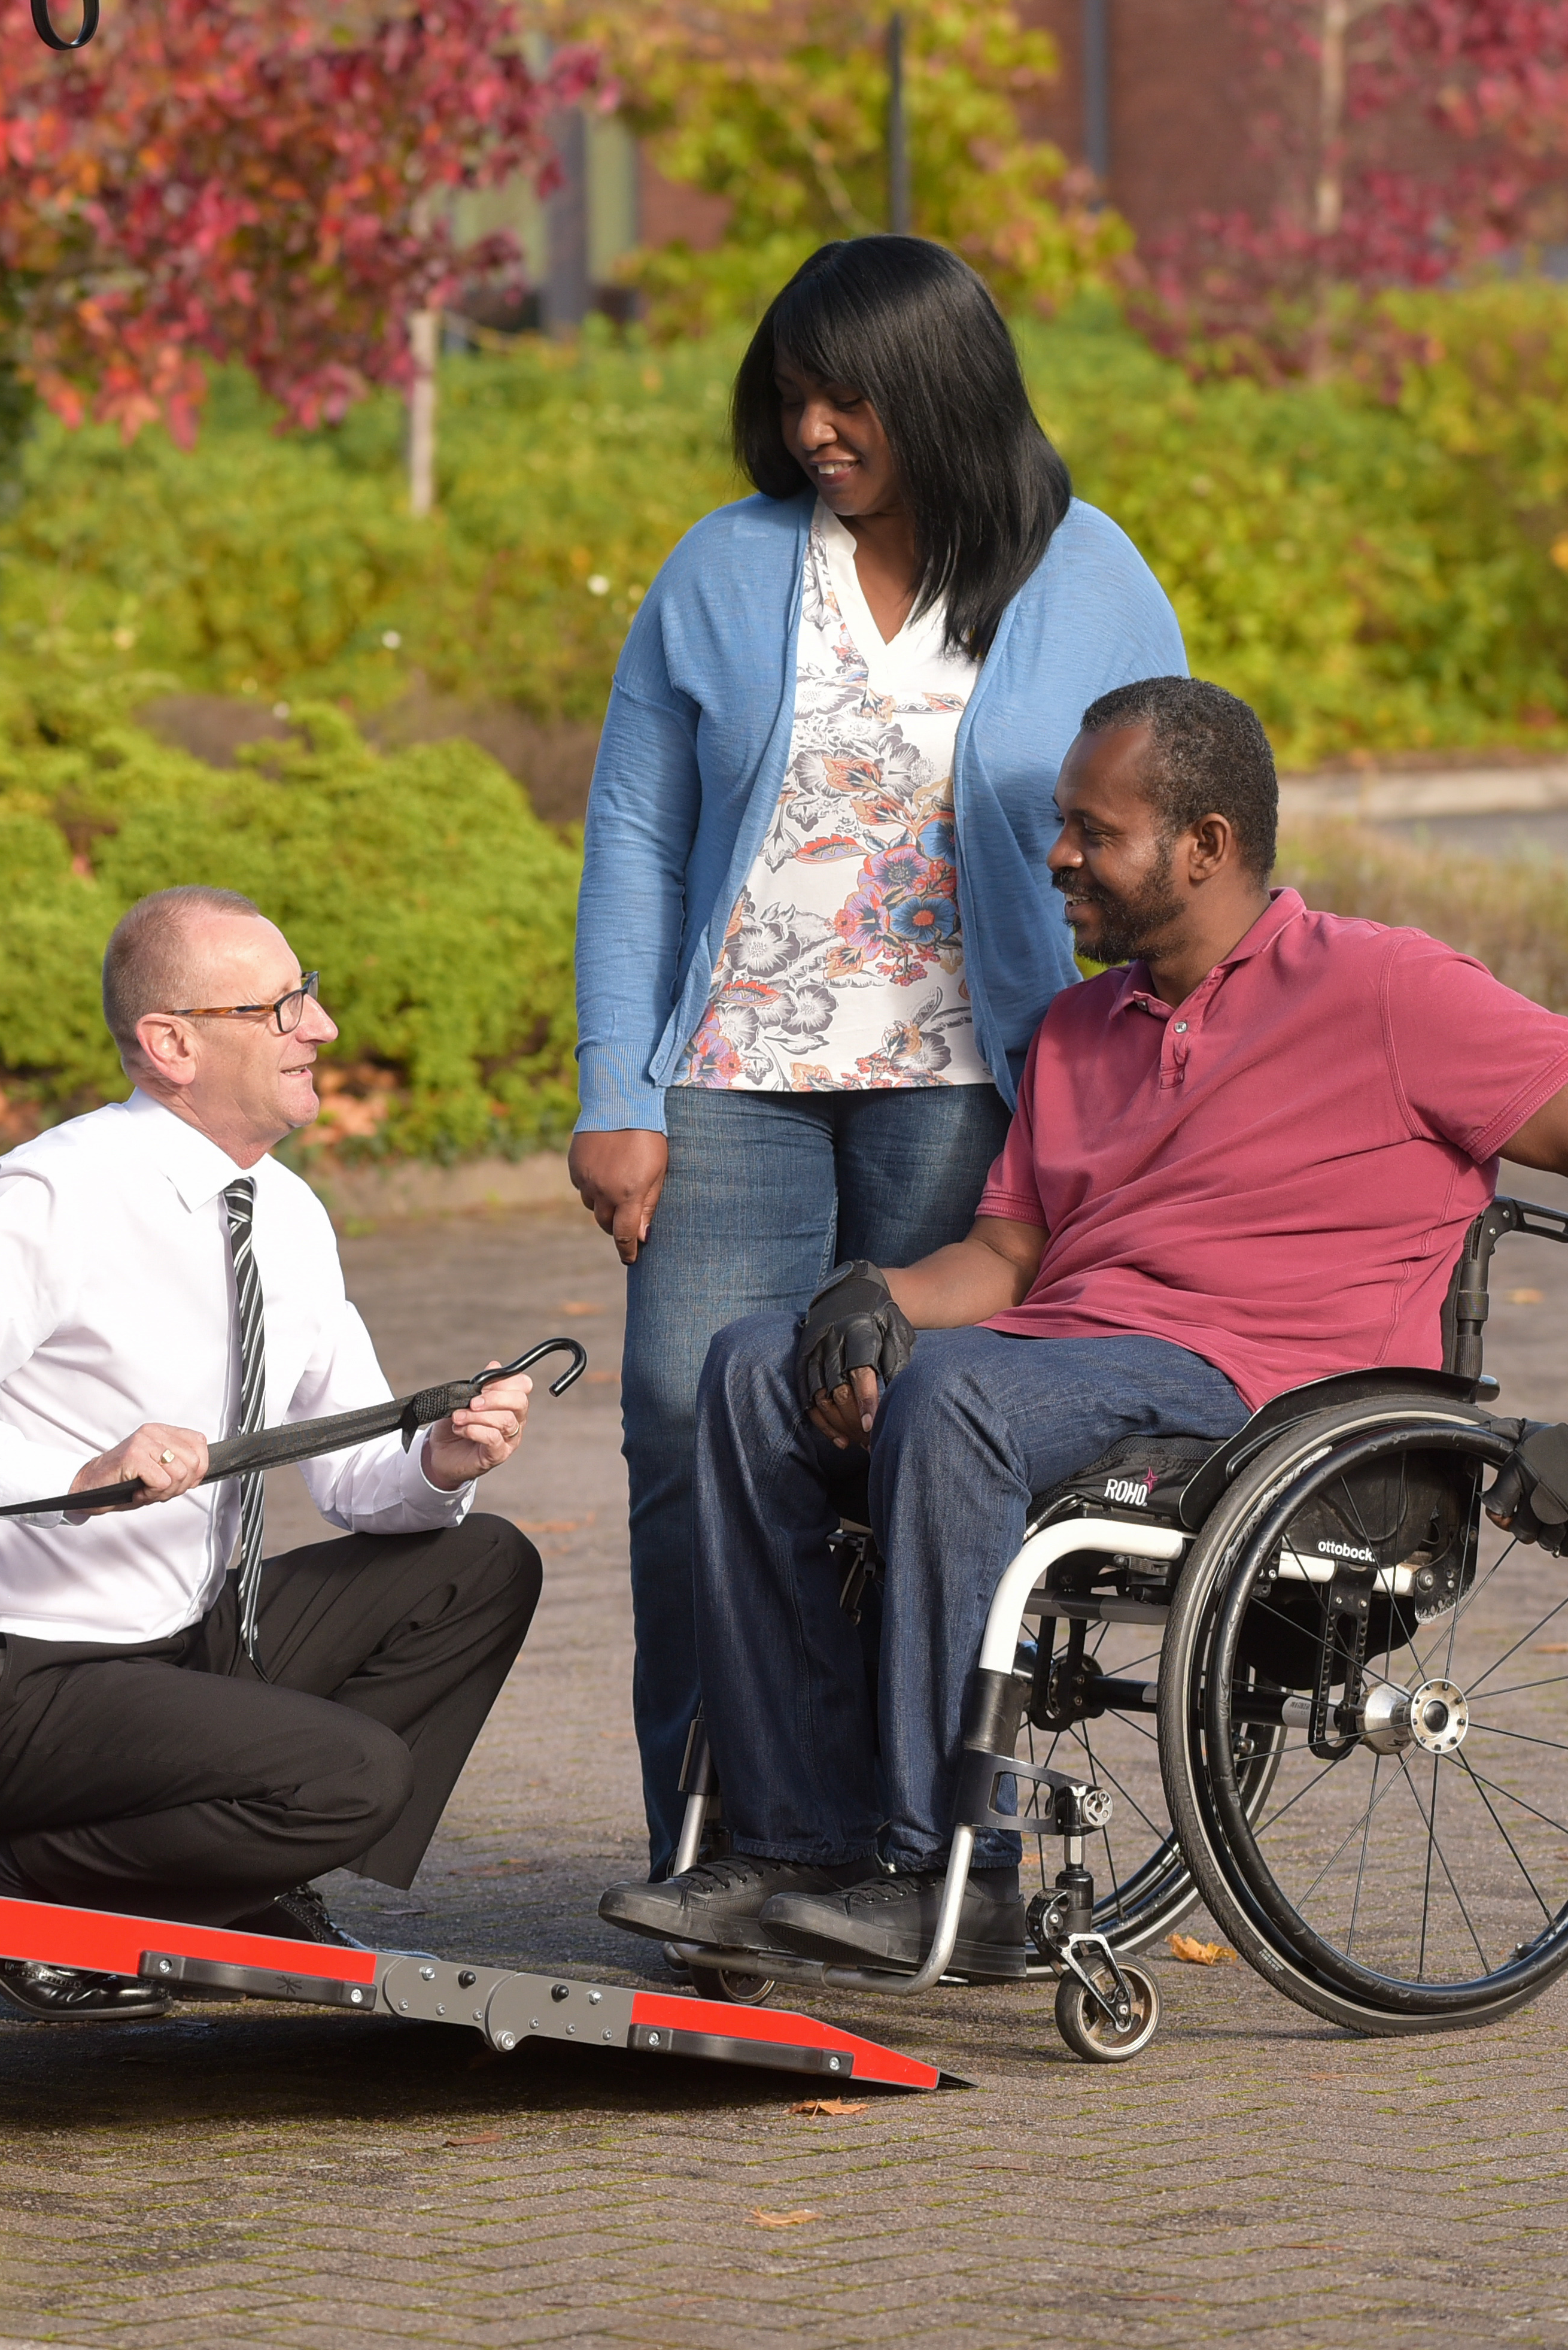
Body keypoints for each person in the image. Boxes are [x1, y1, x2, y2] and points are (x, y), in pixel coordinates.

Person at [598, 676, 1568, 1973]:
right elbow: (1007, 1255)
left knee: (950, 1396)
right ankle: (792, 1841)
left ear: (1204, 846)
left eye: (1089, 830)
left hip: (1262, 1399)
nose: (1055, 854)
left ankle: (949, 1863)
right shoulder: (1077, 1030)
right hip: (1058, 1358)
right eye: (1061, 823)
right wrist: (873, 1300)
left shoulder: (1389, 989)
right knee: (745, 1367)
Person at [565, 234, 1192, 1876]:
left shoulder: (1092, 574)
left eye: (850, 399)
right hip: (730, 1083)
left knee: (903, 1438)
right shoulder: (722, 568)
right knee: (681, 1433)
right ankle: (720, 1848)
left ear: (943, 391)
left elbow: (1164, 829)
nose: (816, 431)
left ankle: (908, 1843)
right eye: (792, 399)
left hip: (969, 1090)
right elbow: (636, 835)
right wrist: (616, 1091)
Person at [0, 886, 548, 2020]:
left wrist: (442, 1464)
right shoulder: (56, 1190)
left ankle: (234, 1879)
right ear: (172, 1044)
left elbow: (355, 1480)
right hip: (22, 1683)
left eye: (308, 997)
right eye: (281, 1008)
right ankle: (6, 1884)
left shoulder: (287, 1213)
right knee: (353, 1777)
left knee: (482, 1566)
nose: (318, 1029)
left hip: (192, 1642)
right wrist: (65, 1481)